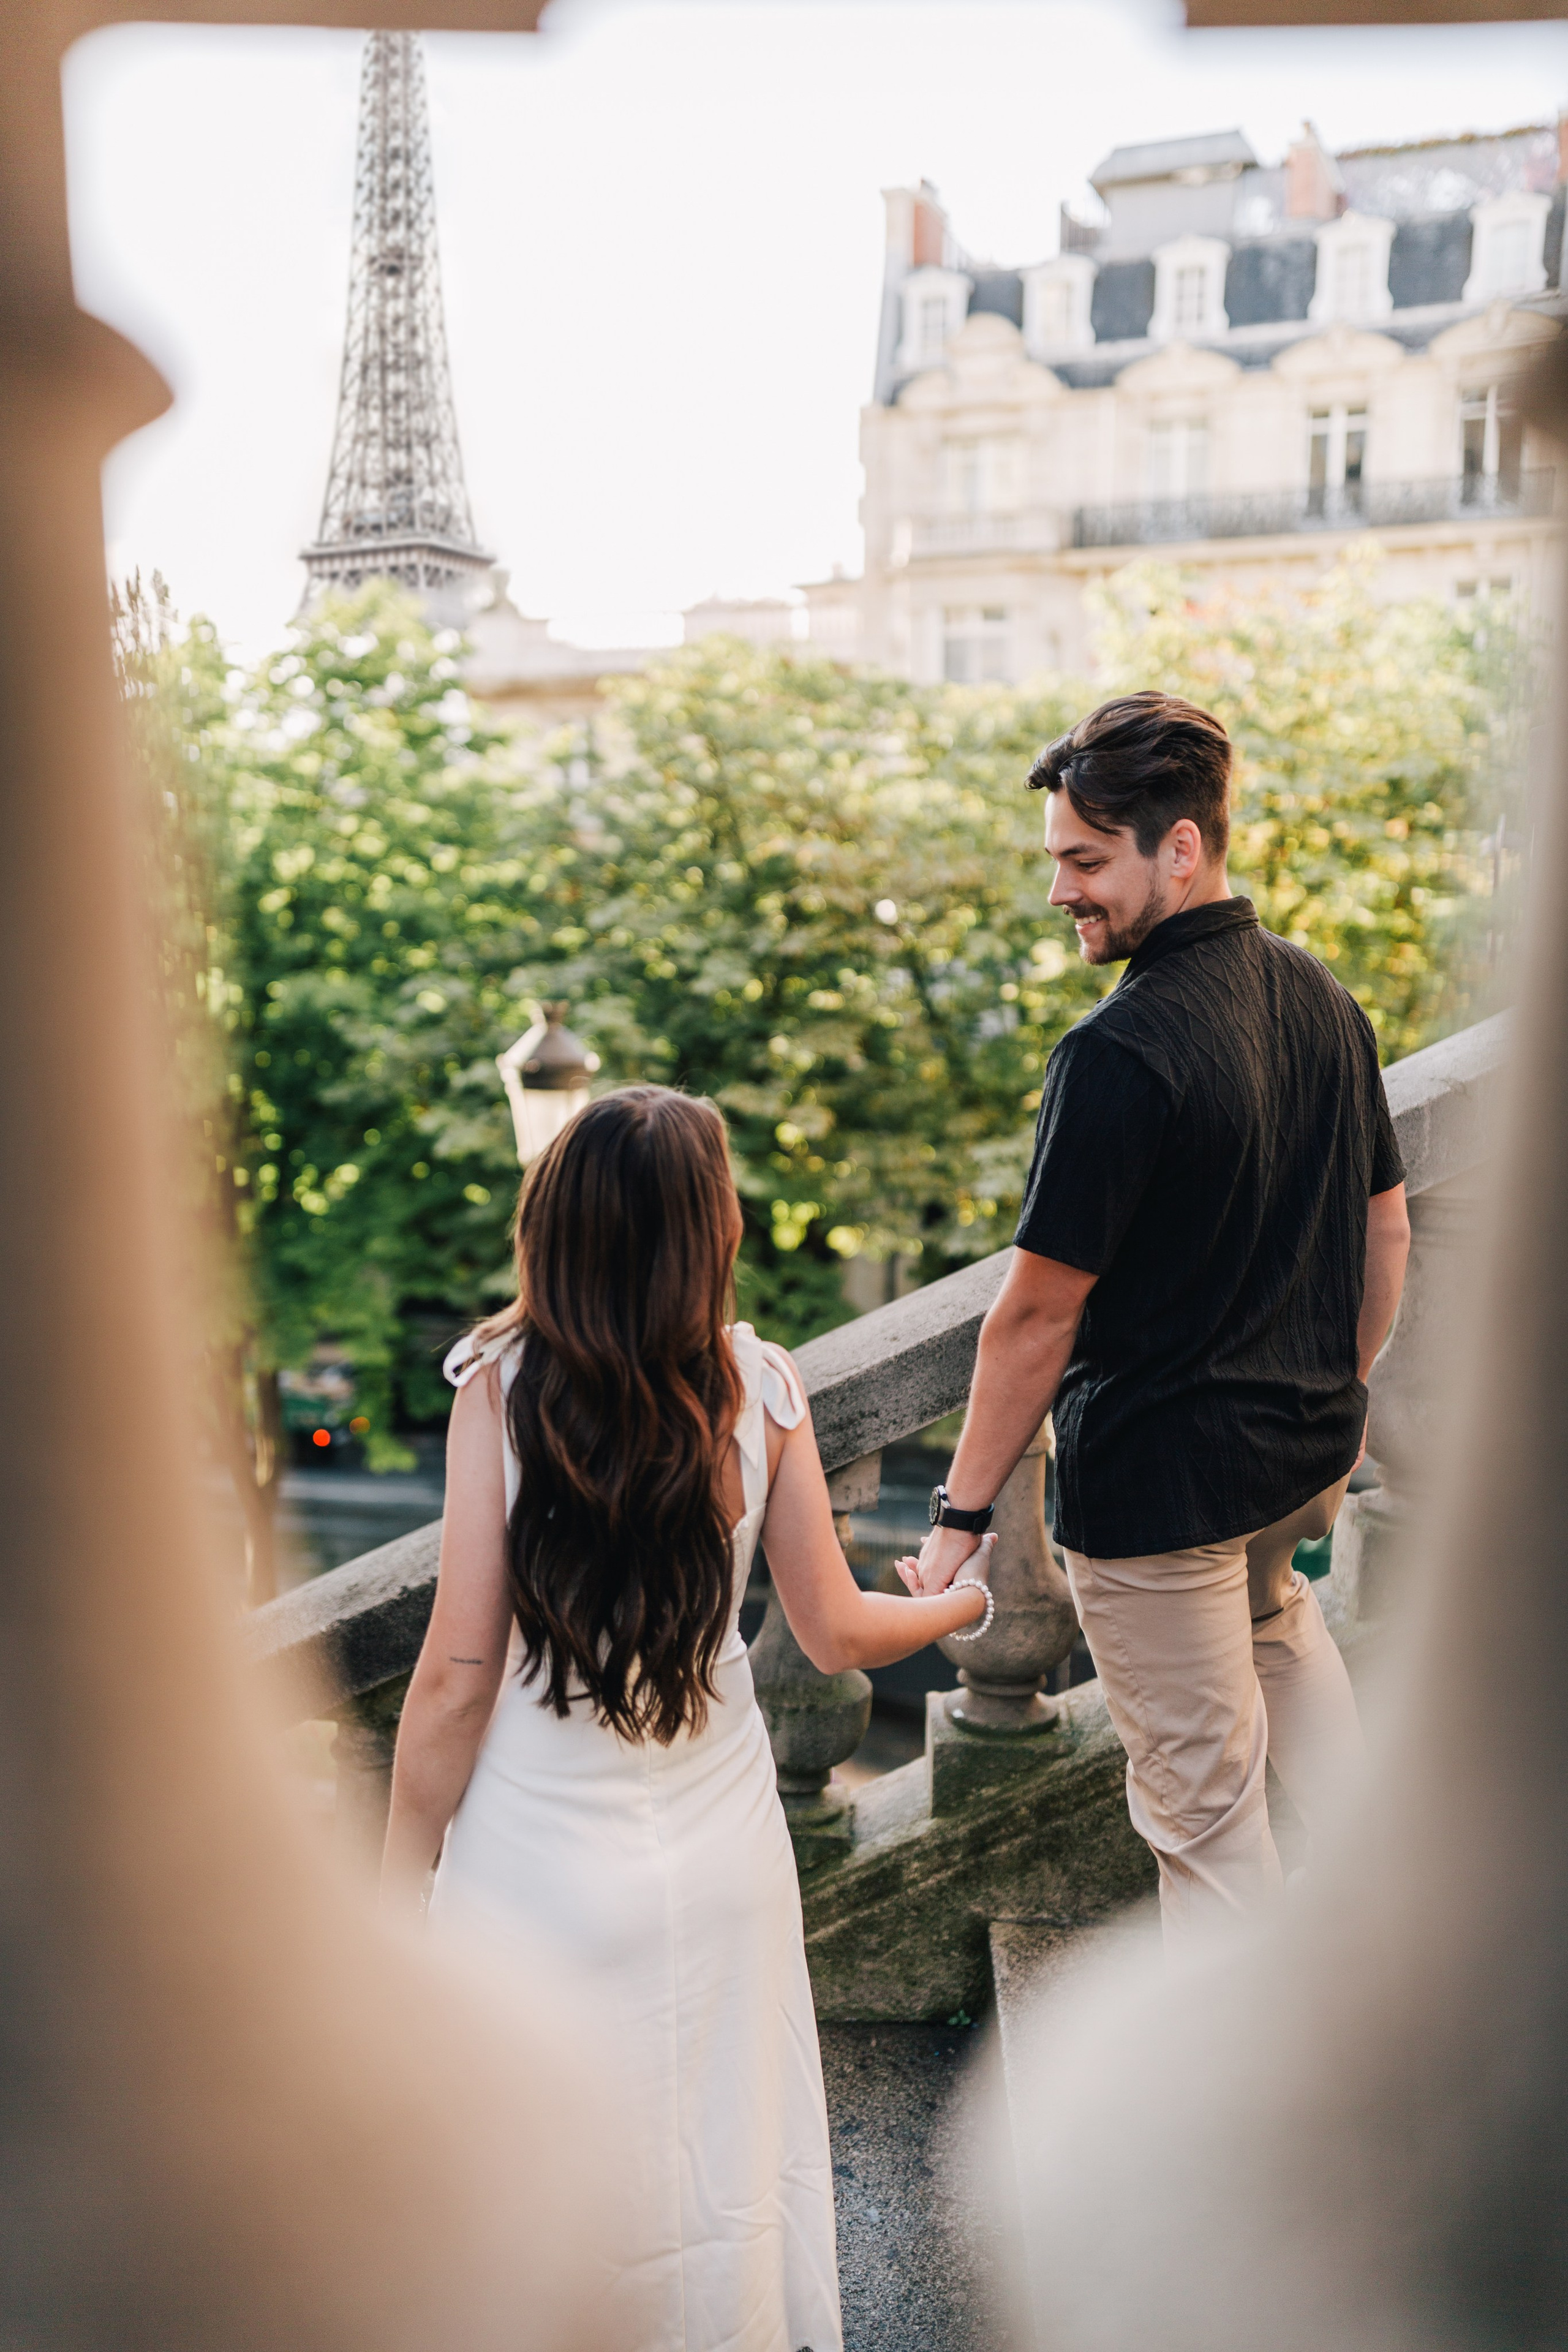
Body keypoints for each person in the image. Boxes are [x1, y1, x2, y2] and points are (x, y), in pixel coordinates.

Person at [381, 1085, 995, 2352]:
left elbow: (454, 1674)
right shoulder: (757, 1387)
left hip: (533, 1865)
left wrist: (394, 1885)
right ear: (705, 1234)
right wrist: (965, 1603)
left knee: (536, 2178)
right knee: (721, 2179)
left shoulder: (500, 1392)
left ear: (558, 1227)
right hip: (720, 1857)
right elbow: (833, 1633)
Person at [900, 691, 1411, 1945]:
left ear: (1178, 849)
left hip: (1161, 1498)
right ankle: (1402, 1941)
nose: (1060, 892)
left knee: (1205, 1827)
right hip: (1293, 1465)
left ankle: (1261, 2067)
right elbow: (1385, 1229)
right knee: (1281, 1636)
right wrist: (1331, 1391)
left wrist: (959, 1521)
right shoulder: (1319, 994)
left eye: (1085, 863)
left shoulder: (1116, 1054)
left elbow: (1033, 1318)